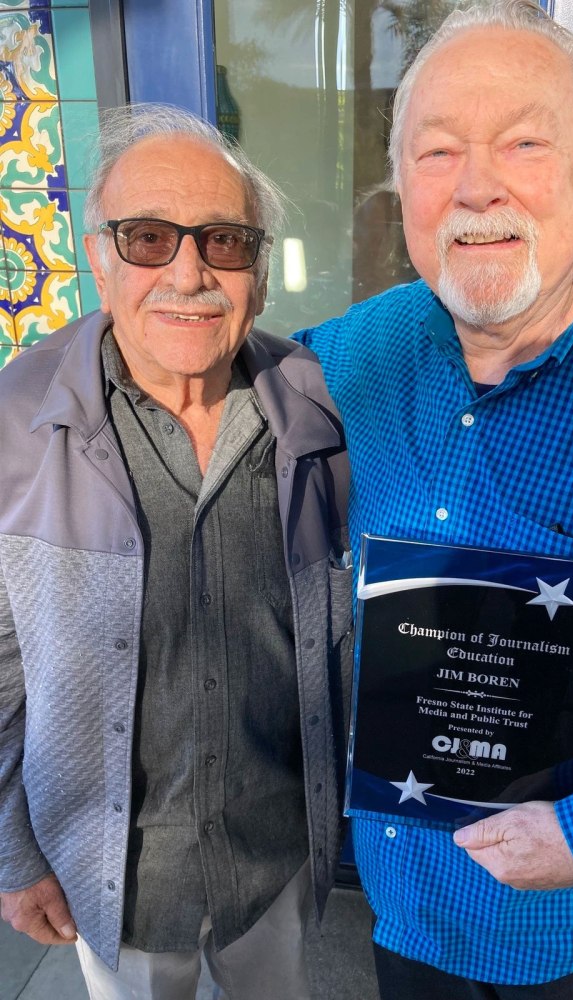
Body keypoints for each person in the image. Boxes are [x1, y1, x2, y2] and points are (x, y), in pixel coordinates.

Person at [295, 2, 573, 998]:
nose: (477, 186)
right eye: (438, 150)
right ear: (401, 185)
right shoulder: (341, 362)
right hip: (404, 906)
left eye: (524, 142)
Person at [0, 104, 352, 1000]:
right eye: (149, 237)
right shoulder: (15, 422)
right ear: (100, 259)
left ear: (260, 276)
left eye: (224, 241)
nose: (188, 272)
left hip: (274, 862)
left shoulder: (315, 409)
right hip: (111, 886)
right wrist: (11, 853)